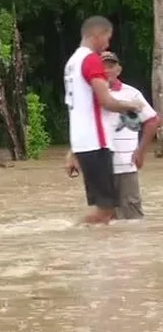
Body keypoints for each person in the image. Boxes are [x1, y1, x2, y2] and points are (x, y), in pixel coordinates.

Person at [63, 16, 144, 225]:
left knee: (104, 210)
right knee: (105, 212)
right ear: (96, 35)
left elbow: (76, 107)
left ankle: (94, 250)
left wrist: (73, 150)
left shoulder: (71, 63)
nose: (107, 44)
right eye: (107, 38)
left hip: (82, 142)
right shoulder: (90, 60)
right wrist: (132, 105)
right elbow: (106, 101)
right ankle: (70, 237)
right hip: (96, 142)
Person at [67, 51, 159, 220]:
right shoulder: (89, 96)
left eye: (111, 66)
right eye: (103, 67)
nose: (107, 70)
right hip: (98, 167)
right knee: (103, 222)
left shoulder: (132, 94)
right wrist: (73, 154)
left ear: (119, 69)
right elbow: (83, 127)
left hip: (126, 165)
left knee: (132, 220)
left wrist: (141, 151)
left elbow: (152, 121)